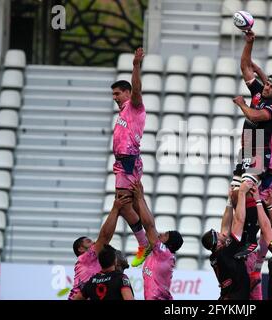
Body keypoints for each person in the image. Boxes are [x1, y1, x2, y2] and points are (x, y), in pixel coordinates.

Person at [111, 47, 150, 267]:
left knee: (123, 205)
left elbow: (137, 89)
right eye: (113, 95)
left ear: (127, 93)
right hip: (123, 161)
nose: (115, 98)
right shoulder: (123, 112)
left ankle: (144, 244)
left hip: (128, 160)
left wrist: (136, 66)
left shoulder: (134, 106)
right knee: (132, 204)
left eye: (117, 94)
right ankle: (148, 240)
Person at [233, 29, 272, 186]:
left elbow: (255, 116)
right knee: (234, 195)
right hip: (247, 145)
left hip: (260, 149)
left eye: (271, 87)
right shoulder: (260, 92)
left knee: (247, 191)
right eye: (267, 84)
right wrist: (249, 43)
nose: (266, 88)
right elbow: (245, 67)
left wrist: (242, 104)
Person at [68, 195, 131, 300]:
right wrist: (115, 209)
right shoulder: (84, 258)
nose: (93, 243)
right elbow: (104, 238)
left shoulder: (99, 269)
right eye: (89, 242)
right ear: (81, 249)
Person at [131, 181, 184, 300]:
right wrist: (141, 199)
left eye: (165, 235)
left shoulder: (163, 253)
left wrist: (140, 198)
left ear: (169, 242)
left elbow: (149, 226)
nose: (160, 234)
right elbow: (149, 225)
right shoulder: (162, 254)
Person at [201, 183, 251, 300]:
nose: (221, 233)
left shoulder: (217, 255)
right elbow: (239, 221)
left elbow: (225, 227)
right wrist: (242, 193)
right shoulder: (226, 252)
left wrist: (229, 200)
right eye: (218, 235)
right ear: (218, 243)